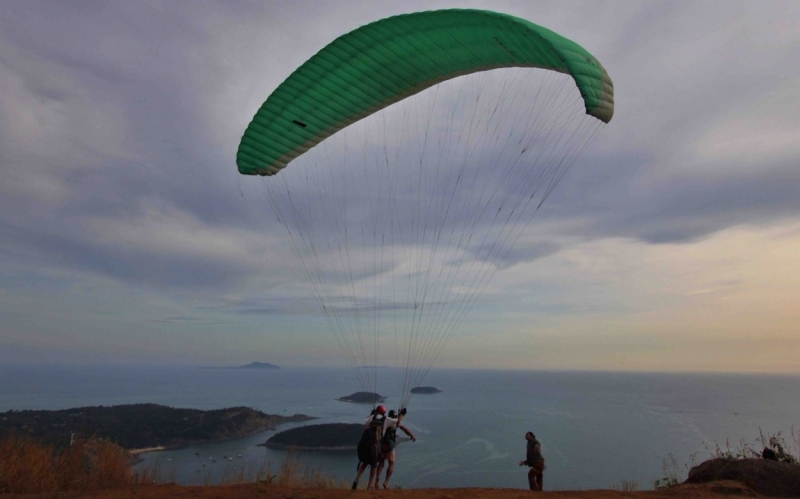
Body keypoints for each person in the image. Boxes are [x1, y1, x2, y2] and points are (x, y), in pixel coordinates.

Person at [375, 408, 415, 489]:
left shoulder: (385, 420)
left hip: (382, 444)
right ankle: (386, 482)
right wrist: (411, 435)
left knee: (381, 462)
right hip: (390, 445)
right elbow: (404, 429)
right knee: (391, 463)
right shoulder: (396, 422)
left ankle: (377, 479)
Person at [352, 405, 386, 490]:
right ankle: (369, 485)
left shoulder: (370, 418)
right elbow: (396, 422)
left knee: (364, 463)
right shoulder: (384, 420)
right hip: (373, 447)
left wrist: (371, 415)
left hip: (365, 445)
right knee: (374, 465)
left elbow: (365, 423)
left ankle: (356, 480)